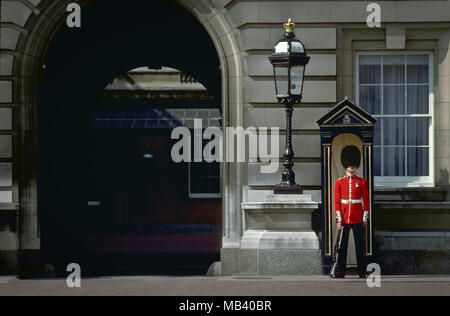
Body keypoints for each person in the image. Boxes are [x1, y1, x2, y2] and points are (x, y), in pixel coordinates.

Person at [332, 145, 370, 279]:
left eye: (354, 166)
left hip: (358, 217)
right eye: (350, 166)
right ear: (346, 166)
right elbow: (337, 202)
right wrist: (338, 220)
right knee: (342, 247)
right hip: (344, 218)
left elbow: (366, 201)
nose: (352, 169)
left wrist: (365, 218)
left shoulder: (362, 182)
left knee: (360, 247)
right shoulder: (339, 182)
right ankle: (340, 271)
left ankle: (361, 271)